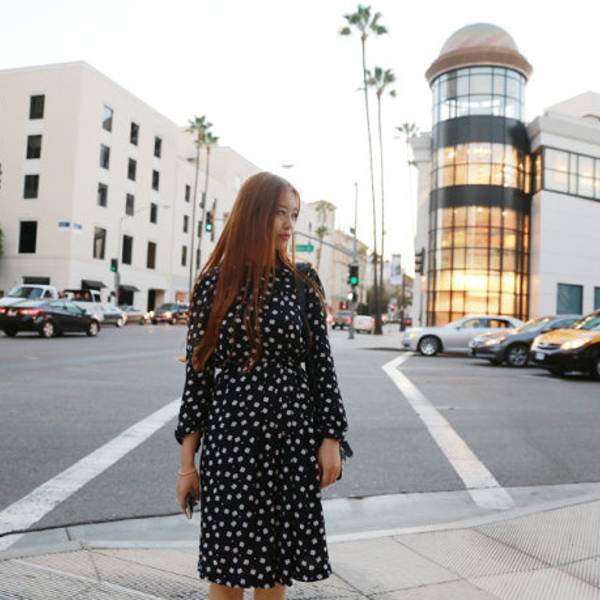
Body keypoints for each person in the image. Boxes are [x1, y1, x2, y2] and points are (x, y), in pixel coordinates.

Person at [174, 171, 349, 599]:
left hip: (291, 439)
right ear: (254, 214)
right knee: (226, 567)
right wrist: (187, 466)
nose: (289, 225)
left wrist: (330, 438)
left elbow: (321, 367)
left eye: (294, 215)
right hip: (232, 442)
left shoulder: (302, 281)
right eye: (279, 213)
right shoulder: (214, 284)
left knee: (275, 568)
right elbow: (198, 380)